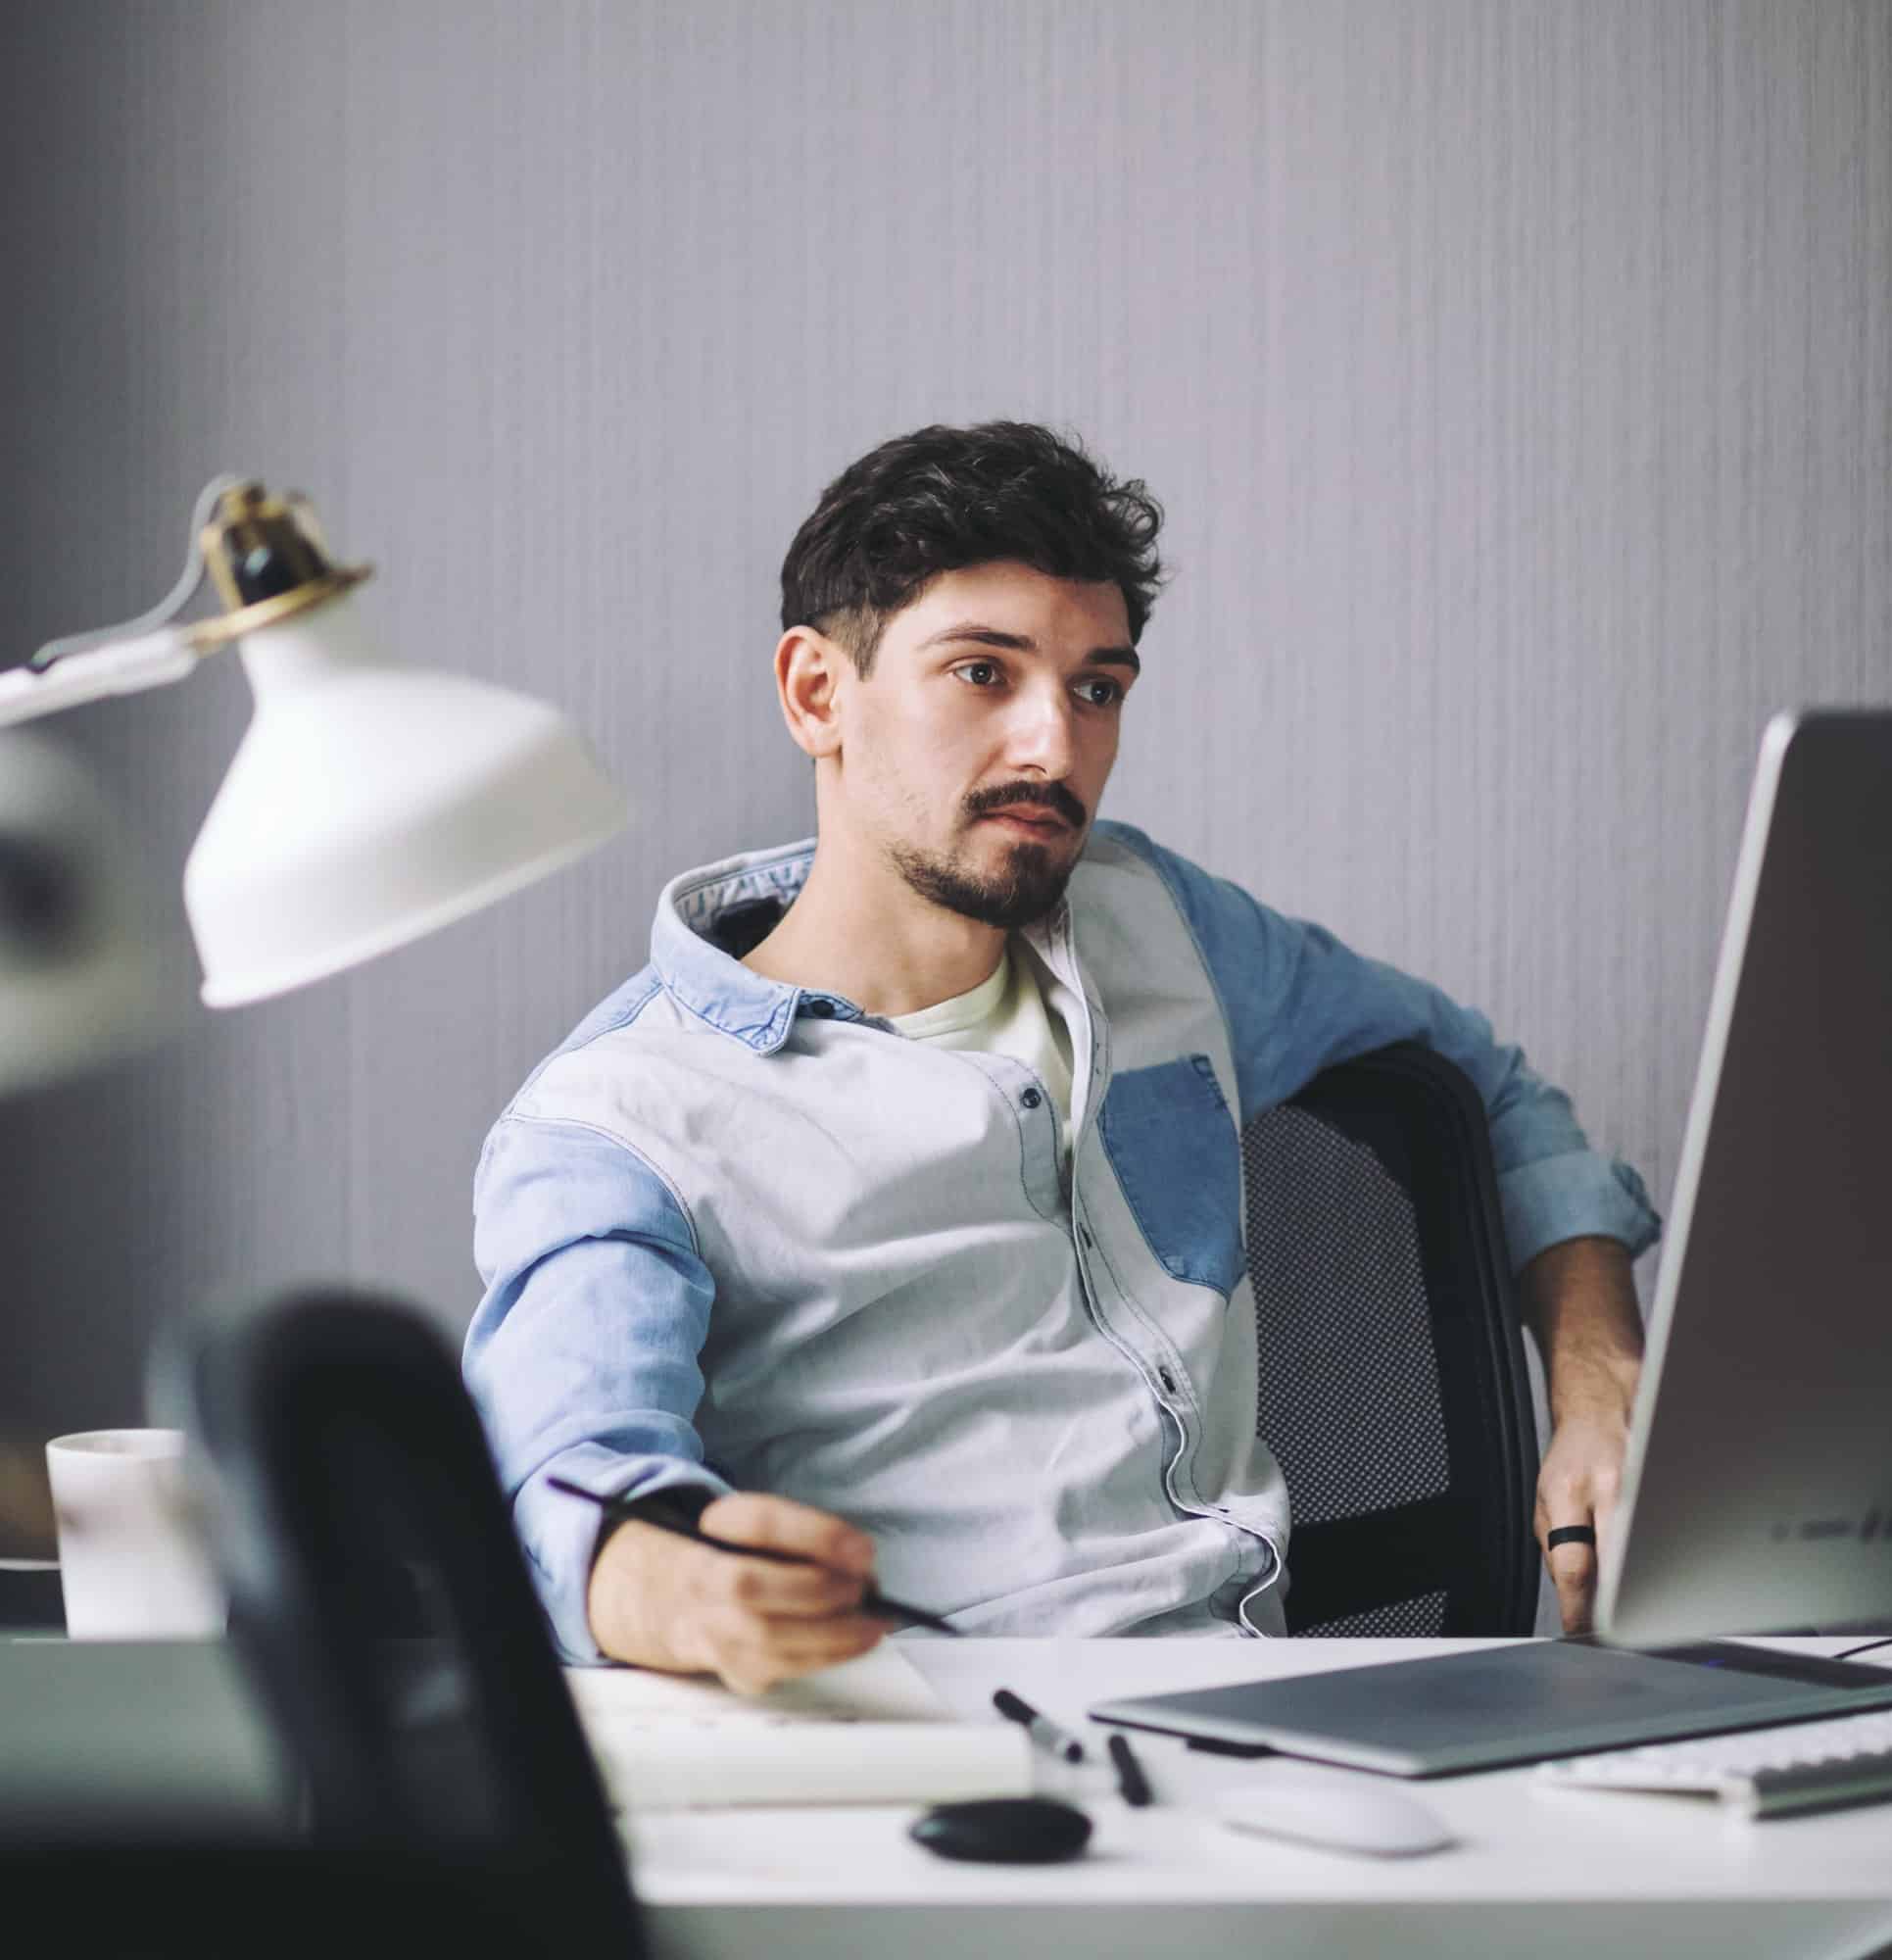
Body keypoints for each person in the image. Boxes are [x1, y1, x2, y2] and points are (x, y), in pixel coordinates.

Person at [464, 421, 1660, 1692]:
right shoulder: (624, 1120)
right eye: (983, 673)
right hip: (936, 1751)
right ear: (818, 694)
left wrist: (1599, 1383)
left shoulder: (1161, 925)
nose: (1053, 747)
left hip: (1274, 1713)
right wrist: (671, 1580)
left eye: (1097, 689)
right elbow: (568, 1483)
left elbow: (1481, 1085)